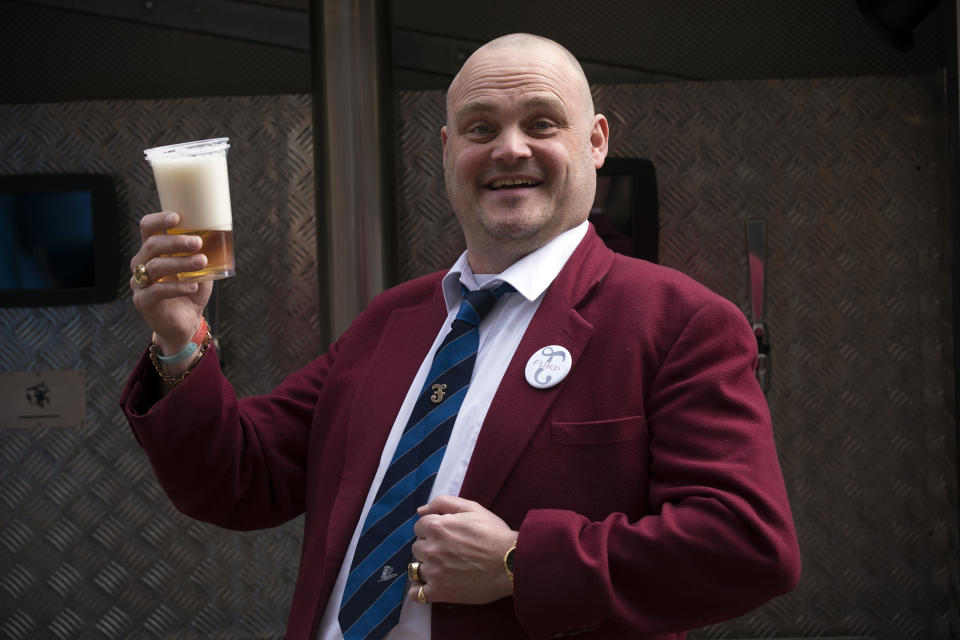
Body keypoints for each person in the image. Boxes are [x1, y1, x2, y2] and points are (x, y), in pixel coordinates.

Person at [121, 33, 800, 640]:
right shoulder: (390, 322)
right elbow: (240, 478)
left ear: (594, 141)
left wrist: (518, 562)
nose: (509, 148)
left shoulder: (677, 322)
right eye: (480, 128)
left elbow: (746, 546)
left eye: (541, 123)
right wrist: (179, 340)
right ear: (449, 154)